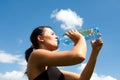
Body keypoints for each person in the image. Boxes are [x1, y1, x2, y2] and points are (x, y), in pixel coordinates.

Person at [25, 26, 103, 80]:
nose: (57, 37)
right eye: (52, 34)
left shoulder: (53, 70)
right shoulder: (36, 55)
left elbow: (83, 78)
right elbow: (79, 56)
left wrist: (95, 51)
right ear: (40, 38)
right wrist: (80, 38)